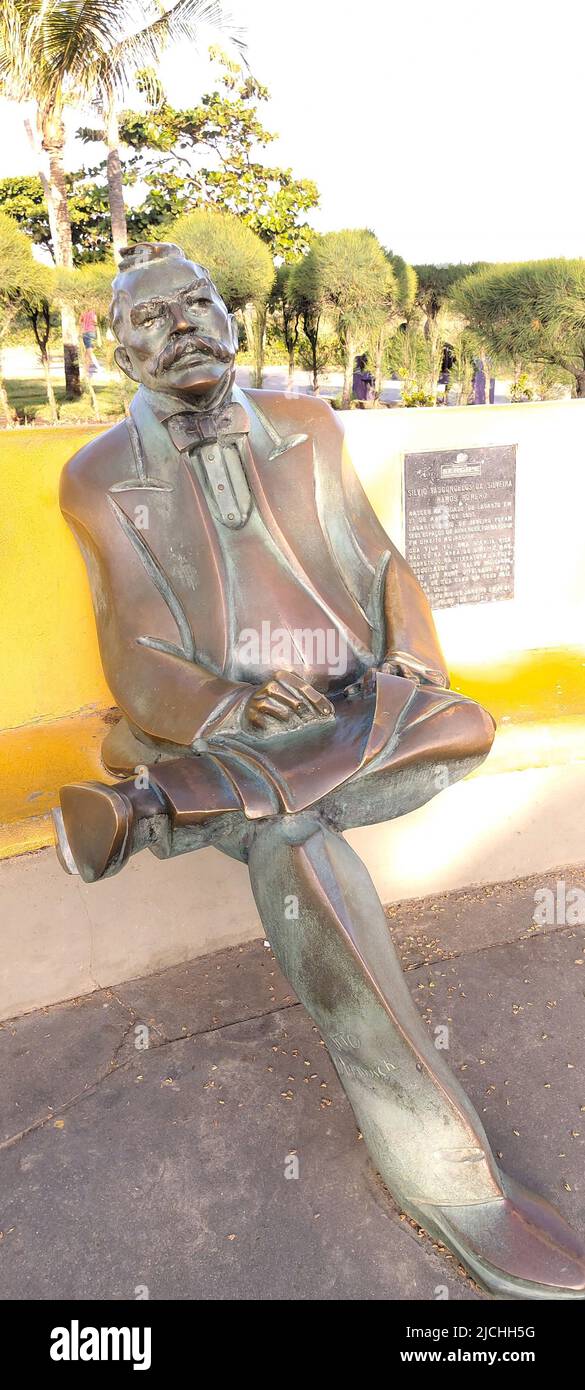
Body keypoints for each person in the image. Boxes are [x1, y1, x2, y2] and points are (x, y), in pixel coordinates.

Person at [54, 243, 585, 1299]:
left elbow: (382, 563)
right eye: (154, 317)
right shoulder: (100, 477)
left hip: (352, 707)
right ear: (118, 346)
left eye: (199, 302)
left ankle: (163, 815)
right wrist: (235, 708)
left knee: (466, 725)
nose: (186, 325)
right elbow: (139, 654)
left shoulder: (307, 426)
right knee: (294, 842)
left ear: (230, 314)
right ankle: (444, 1169)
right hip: (209, 723)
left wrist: (402, 667)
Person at [80, 308, 99, 373]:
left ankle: (96, 368)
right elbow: (95, 323)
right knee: (88, 353)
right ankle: (86, 371)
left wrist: (80, 332)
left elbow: (80, 322)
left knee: (88, 352)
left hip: (85, 333)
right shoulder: (93, 312)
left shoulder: (83, 312)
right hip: (92, 333)